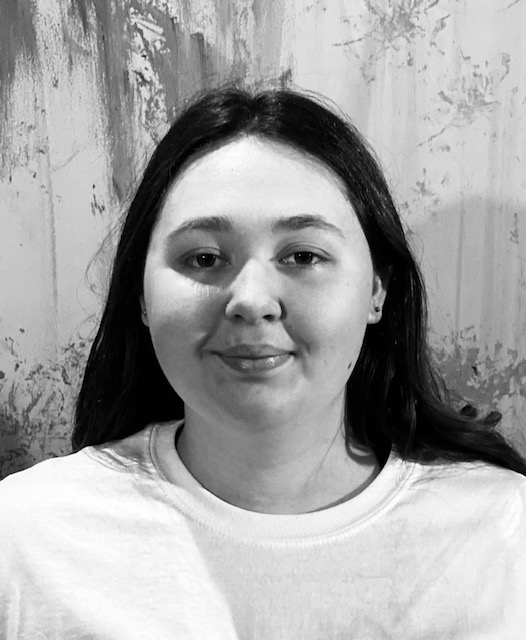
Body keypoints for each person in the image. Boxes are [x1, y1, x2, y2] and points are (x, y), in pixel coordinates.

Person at [1, 86, 525, 639]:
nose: (251, 300)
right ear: (141, 295)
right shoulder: (25, 540)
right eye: (204, 257)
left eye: (303, 255)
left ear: (377, 290)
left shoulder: (504, 535)